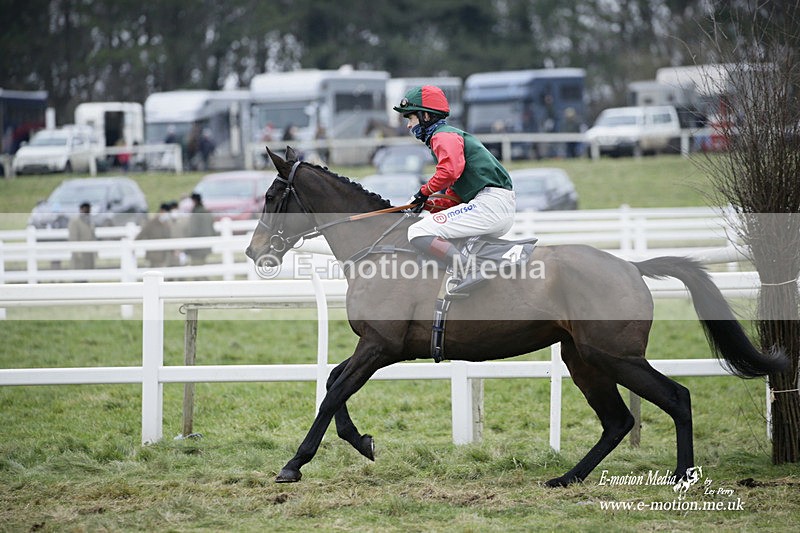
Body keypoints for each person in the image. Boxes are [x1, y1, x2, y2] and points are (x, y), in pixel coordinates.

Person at [393, 85, 516, 294]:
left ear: (425, 116)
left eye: (410, 118)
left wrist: (422, 194)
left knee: (418, 231)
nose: (408, 125)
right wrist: (426, 204)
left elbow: (449, 172)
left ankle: (471, 271)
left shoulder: (442, 136)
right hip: (490, 205)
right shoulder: (446, 138)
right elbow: (454, 199)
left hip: (489, 205)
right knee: (428, 225)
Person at [136, 203, 174, 267]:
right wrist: (133, 245)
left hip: (162, 257)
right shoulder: (151, 223)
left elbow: (169, 238)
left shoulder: (166, 224)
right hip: (152, 257)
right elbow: (141, 234)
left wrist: (173, 251)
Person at [187, 192, 215, 265]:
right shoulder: (207, 212)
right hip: (207, 244)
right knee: (203, 264)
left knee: (196, 264)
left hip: (197, 246)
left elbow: (193, 230)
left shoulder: (196, 213)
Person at [68, 202, 97, 270]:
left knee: (89, 269)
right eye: (86, 208)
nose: (88, 210)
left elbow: (93, 236)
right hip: (80, 253)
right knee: (79, 269)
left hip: (89, 252)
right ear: (81, 209)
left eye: (89, 209)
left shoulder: (90, 221)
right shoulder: (75, 222)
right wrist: (77, 252)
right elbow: (73, 237)